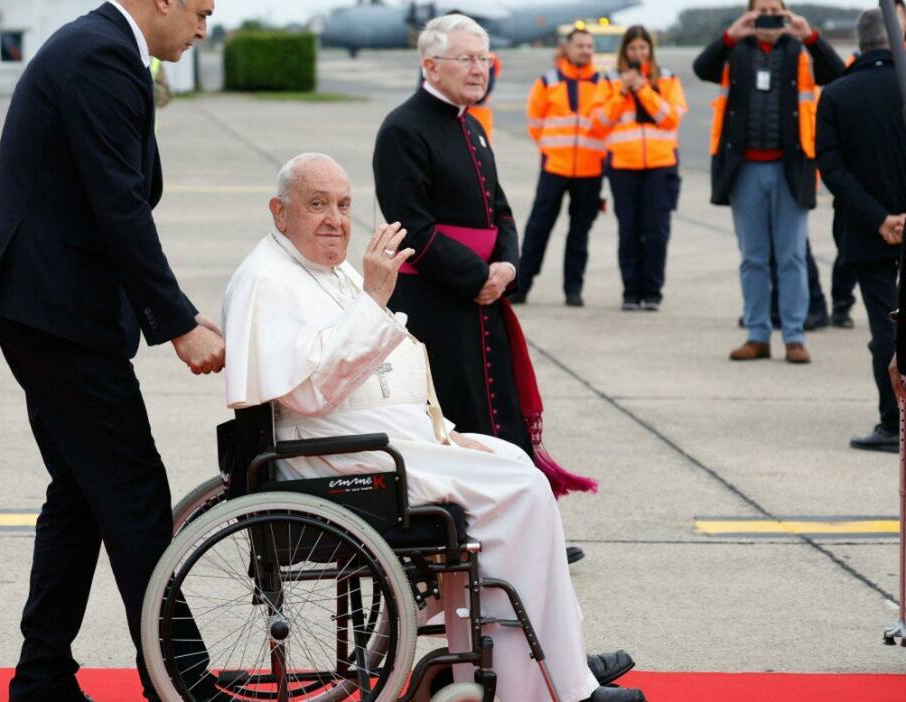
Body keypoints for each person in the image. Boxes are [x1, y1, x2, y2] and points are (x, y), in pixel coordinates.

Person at [223, 152, 645, 702]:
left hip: (377, 442)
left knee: (513, 463)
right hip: (337, 459)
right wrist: (375, 296)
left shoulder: (322, 268)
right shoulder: (267, 279)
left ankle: (543, 654)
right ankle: (539, 686)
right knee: (521, 493)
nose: (335, 220)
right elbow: (309, 392)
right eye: (317, 204)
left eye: (345, 205)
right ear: (280, 212)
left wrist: (440, 429)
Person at [0, 1, 223, 700]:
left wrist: (178, 308)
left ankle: (42, 675)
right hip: (51, 308)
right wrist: (177, 323)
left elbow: (116, 196)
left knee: (81, 491)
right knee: (133, 489)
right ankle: (182, 680)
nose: (202, 29)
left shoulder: (104, 48)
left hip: (45, 303)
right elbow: (120, 203)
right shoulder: (100, 55)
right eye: (200, 11)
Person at [373, 15, 596, 513]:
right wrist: (478, 278)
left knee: (501, 418)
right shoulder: (403, 129)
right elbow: (413, 224)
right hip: (436, 305)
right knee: (460, 420)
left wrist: (509, 269)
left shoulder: (473, 126)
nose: (480, 69)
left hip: (482, 300)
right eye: (467, 59)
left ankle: (521, 527)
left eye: (484, 59)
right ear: (430, 64)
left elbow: (501, 212)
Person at [694, 0, 844, 363]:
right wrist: (732, 34)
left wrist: (811, 35)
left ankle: (794, 335)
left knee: (791, 256)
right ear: (749, 13)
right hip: (745, 169)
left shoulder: (801, 50)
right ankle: (757, 333)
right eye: (760, 10)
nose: (768, 16)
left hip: (790, 167)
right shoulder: (736, 51)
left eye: (775, 8)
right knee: (753, 257)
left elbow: (837, 73)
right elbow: (703, 67)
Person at [816, 8, 906, 453]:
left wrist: (879, 218)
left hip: (867, 230)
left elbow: (831, 167)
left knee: (885, 329)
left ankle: (894, 421)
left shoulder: (836, 94)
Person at [592, 25, 686, 312]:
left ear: (650, 50)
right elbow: (598, 123)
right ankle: (631, 291)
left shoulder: (667, 79)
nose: (638, 53)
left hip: (660, 165)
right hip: (624, 166)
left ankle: (653, 291)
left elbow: (670, 119)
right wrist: (622, 92)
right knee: (629, 231)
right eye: (632, 48)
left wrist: (643, 89)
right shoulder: (608, 80)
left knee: (656, 231)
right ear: (624, 51)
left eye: (643, 48)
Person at [514, 28, 606, 307]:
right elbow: (534, 122)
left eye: (590, 46)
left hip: (590, 171)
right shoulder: (548, 82)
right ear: (567, 48)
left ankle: (573, 288)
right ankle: (522, 285)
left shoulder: (604, 83)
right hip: (554, 168)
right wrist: (552, 150)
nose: (586, 50)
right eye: (580, 45)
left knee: (580, 233)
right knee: (538, 228)